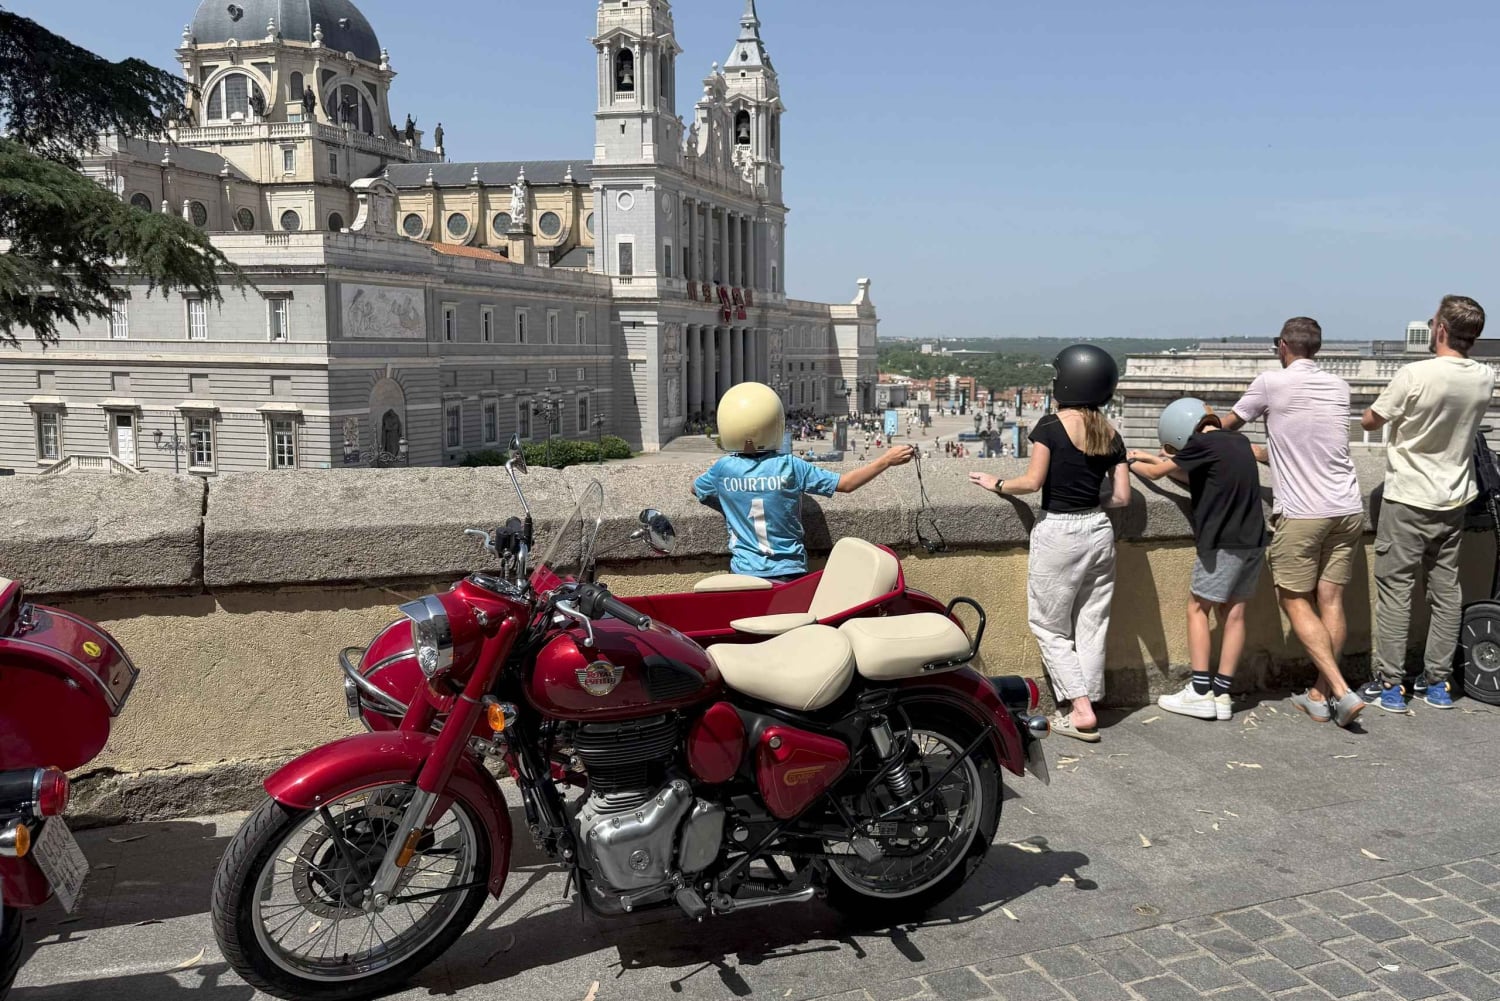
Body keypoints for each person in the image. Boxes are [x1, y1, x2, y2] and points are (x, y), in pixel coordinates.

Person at [968, 345, 1132, 742]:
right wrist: (1091, 500)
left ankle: (1080, 709)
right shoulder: (1110, 433)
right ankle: (1090, 698)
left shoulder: (1049, 426)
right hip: (1098, 528)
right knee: (1092, 621)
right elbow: (1123, 497)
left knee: (1048, 625)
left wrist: (998, 483)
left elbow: (1032, 482)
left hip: (1060, 531)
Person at [1221, 318, 1365, 728]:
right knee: (1331, 601)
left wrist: (1202, 433)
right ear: (1316, 348)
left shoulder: (1271, 382)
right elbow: (1305, 443)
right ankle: (1320, 694)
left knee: (1294, 599)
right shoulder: (1339, 386)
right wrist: (1261, 452)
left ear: (1282, 346)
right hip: (1347, 508)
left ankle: (1339, 688)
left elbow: (1227, 425)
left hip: (1304, 513)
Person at [1360, 296, 1492, 712]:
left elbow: (1371, 420)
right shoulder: (1485, 376)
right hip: (1453, 496)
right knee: (1446, 590)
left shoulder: (1414, 373)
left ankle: (1389, 683)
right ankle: (1437, 682)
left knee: (1396, 590)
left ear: (1438, 329)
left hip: (1408, 496)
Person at [1128, 399, 1267, 722]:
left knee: (1197, 609)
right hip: (1254, 540)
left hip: (1222, 542)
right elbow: (1192, 473)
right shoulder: (1238, 441)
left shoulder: (1200, 443)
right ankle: (1222, 694)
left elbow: (1157, 473)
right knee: (1234, 614)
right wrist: (1154, 457)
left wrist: (1129, 462)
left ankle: (1200, 691)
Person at [695, 383, 913, 581]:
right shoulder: (790, 465)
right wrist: (886, 460)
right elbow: (846, 484)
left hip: (744, 572)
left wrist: (729, 489)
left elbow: (697, 489)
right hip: (790, 570)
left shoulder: (722, 469)